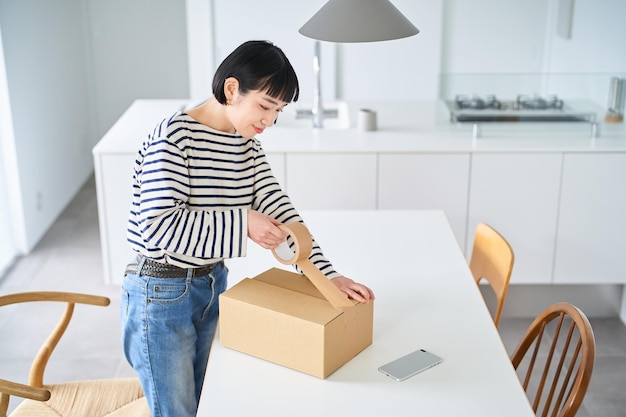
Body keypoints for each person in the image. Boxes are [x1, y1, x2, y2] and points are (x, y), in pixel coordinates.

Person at [120, 40, 375, 417]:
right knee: (176, 410)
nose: (269, 121)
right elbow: (159, 227)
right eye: (265, 106)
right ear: (232, 89)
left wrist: (327, 276)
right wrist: (243, 223)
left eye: (278, 111)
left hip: (210, 284)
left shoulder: (246, 146)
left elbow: (280, 209)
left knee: (206, 400)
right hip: (159, 295)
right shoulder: (174, 138)